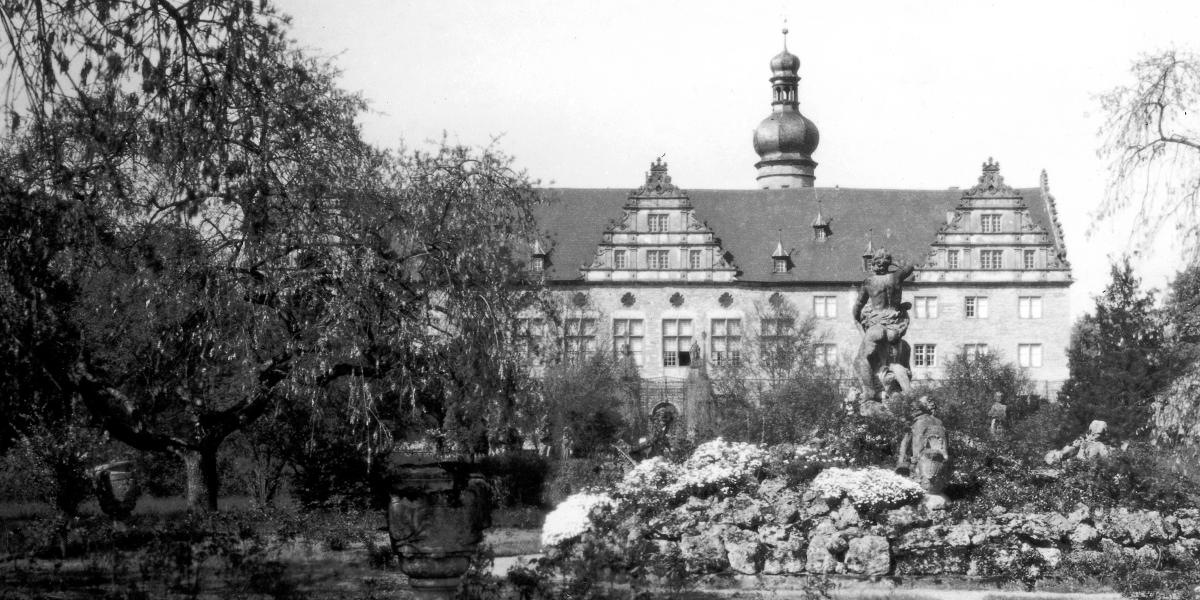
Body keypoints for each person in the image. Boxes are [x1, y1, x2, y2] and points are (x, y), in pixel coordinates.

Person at [852, 248, 916, 398]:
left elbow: (858, 306)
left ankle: (869, 391)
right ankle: (908, 395)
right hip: (895, 328)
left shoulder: (869, 282)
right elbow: (910, 265)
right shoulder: (896, 277)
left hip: (877, 327)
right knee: (896, 364)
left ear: (874, 264)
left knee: (861, 359)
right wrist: (891, 260)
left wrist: (856, 318)